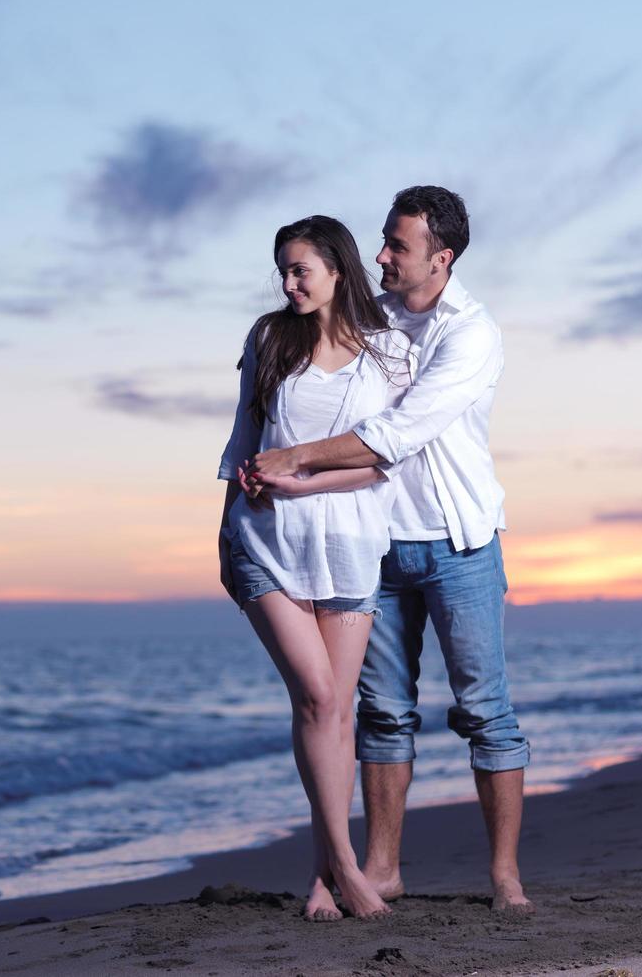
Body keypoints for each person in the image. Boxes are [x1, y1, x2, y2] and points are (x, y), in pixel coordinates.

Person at [246, 186, 533, 913]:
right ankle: (379, 869)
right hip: (373, 545)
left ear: (440, 257)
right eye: (379, 239)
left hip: (456, 543)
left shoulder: (471, 332)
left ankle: (503, 877)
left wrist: (293, 459)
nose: (380, 255)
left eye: (396, 246)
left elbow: (395, 435)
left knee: (484, 710)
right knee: (380, 711)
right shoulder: (366, 327)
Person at [218, 215, 413, 921]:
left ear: (337, 268)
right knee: (317, 700)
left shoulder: (387, 352)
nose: (288, 282)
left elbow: (380, 461)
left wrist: (304, 480)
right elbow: (244, 435)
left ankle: (324, 880)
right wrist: (224, 527)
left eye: (300, 268)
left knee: (336, 714)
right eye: (282, 270)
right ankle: (345, 867)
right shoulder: (268, 337)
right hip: (265, 541)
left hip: (349, 542)